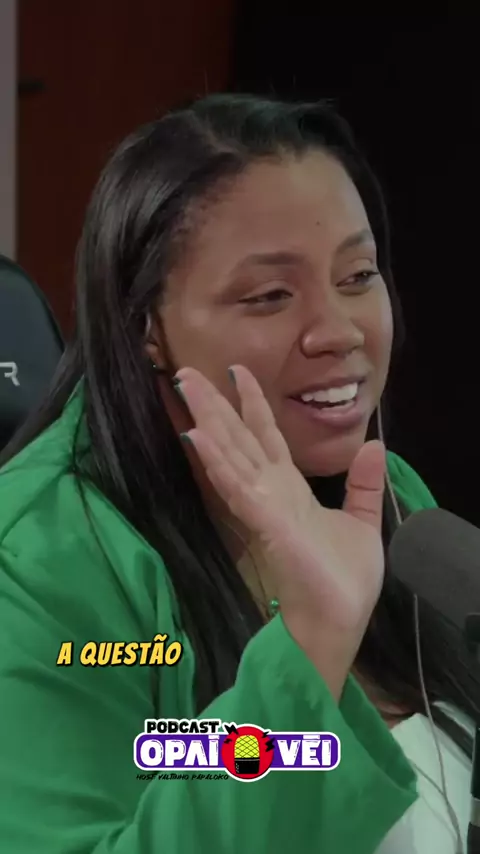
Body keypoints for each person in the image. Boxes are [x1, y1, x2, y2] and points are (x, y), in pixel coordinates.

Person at [0, 94, 477, 854]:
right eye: (270, 296)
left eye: (358, 275)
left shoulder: (383, 494)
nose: (339, 331)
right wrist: (311, 643)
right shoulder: (41, 564)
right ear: (148, 328)